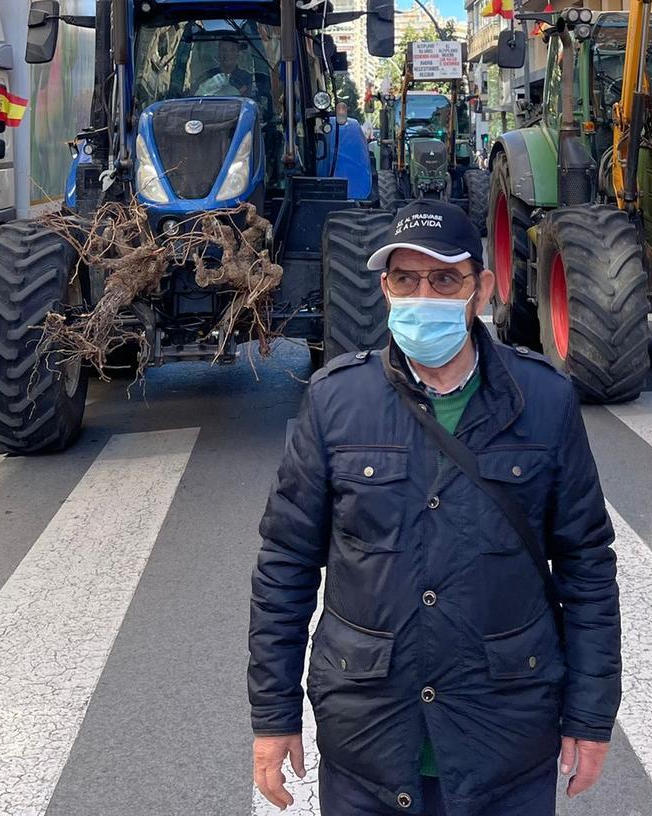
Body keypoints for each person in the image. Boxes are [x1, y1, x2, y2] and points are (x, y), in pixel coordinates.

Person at [249, 200, 621, 816]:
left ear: (482, 289)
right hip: (368, 740)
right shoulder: (335, 401)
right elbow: (285, 565)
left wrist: (591, 713)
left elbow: (586, 566)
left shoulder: (545, 402)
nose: (424, 294)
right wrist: (273, 713)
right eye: (406, 279)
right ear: (384, 290)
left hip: (504, 742)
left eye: (445, 278)